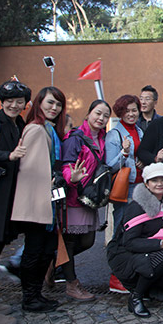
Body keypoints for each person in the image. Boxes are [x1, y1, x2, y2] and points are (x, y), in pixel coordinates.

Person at [11, 86, 67, 313]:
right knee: (35, 251)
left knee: (46, 250)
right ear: (39, 103)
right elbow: (31, 168)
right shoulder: (36, 129)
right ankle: (29, 297)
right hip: (36, 200)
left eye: (58, 104)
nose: (55, 107)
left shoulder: (47, 129)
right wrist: (53, 180)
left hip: (46, 200)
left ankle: (35, 294)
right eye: (50, 102)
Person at [106, 163, 163, 318]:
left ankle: (149, 290)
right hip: (126, 255)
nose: (159, 184)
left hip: (151, 253)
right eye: (154, 180)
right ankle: (136, 297)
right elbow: (129, 242)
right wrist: (160, 244)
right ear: (147, 184)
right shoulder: (137, 207)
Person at [0, 81, 30, 324]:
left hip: (8, 197)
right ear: (2, 101)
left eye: (19, 101)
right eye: (9, 101)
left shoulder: (18, 124)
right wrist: (6, 156)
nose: (14, 105)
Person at [60, 99, 111, 301]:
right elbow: (67, 164)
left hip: (90, 198)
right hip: (74, 196)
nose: (101, 118)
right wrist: (71, 178)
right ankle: (71, 284)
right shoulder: (76, 138)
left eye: (105, 116)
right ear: (89, 113)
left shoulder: (102, 139)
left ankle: (55, 264)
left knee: (88, 241)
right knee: (70, 242)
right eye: (98, 113)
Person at [106, 95, 144, 233]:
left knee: (136, 226)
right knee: (121, 225)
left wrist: (142, 162)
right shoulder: (113, 134)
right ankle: (115, 247)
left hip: (140, 184)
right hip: (125, 186)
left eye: (134, 110)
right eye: (127, 111)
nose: (131, 114)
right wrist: (124, 153)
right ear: (120, 112)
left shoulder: (139, 131)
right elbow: (110, 166)